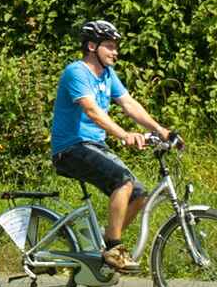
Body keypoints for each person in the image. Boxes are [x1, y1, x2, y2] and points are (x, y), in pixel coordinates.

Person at [48, 19, 174, 273]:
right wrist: (123, 134)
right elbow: (93, 111)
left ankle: (105, 247)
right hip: (71, 148)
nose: (115, 52)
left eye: (116, 47)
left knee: (138, 195)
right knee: (123, 181)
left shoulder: (107, 75)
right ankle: (115, 249)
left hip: (94, 146)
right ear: (92, 46)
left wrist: (161, 131)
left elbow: (129, 105)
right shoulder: (77, 72)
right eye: (109, 46)